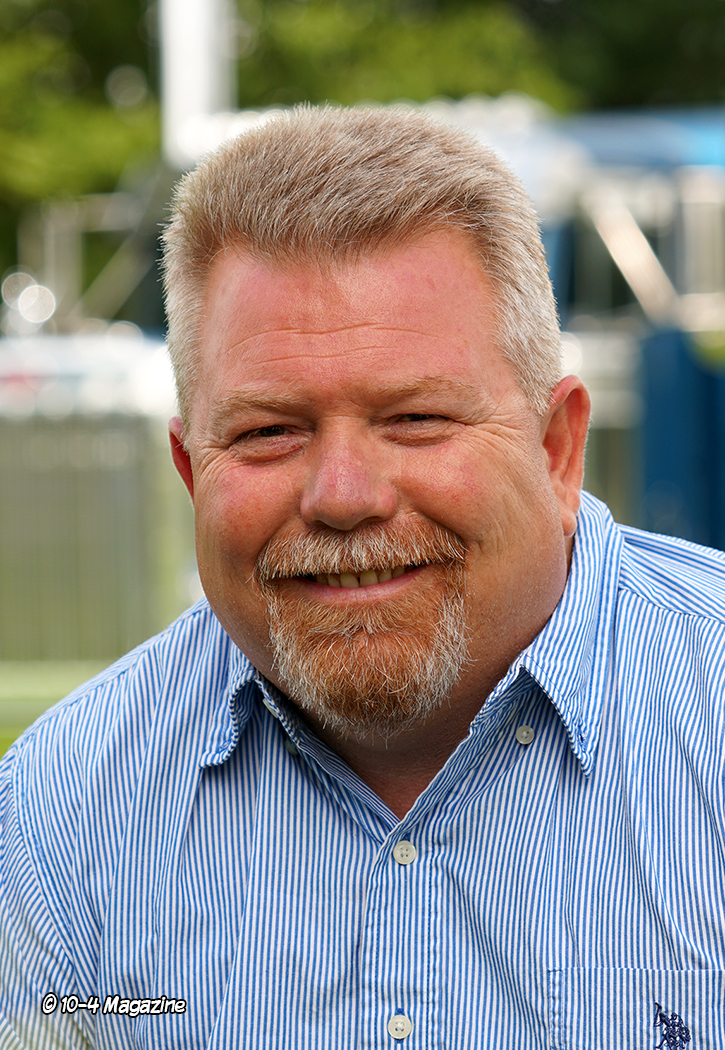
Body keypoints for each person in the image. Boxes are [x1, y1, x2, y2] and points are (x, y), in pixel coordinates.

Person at [1, 104, 725, 1050]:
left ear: (555, 449)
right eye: (268, 433)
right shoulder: (60, 817)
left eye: (414, 420)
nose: (342, 496)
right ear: (191, 474)